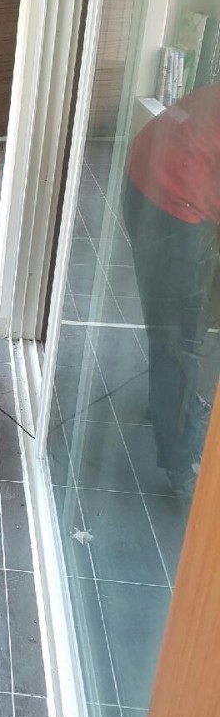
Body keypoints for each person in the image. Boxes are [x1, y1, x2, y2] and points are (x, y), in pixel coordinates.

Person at [123, 81, 220, 498]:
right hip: (173, 200)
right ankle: (183, 463)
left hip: (146, 174)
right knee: (178, 336)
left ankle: (167, 403)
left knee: (170, 323)